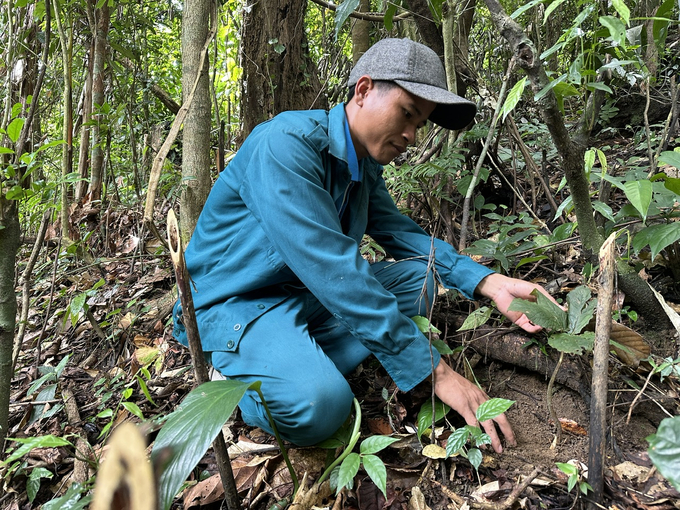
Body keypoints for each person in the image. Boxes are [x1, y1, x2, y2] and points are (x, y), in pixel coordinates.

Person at [173, 37, 555, 454]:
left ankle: (296, 361)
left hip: (302, 297)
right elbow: (334, 270)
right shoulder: (285, 145)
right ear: (363, 90)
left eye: (419, 124)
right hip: (236, 306)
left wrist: (488, 282)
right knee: (321, 407)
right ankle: (240, 379)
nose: (411, 135)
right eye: (407, 114)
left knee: (420, 279)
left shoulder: (362, 167)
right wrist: (436, 372)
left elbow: (401, 234)